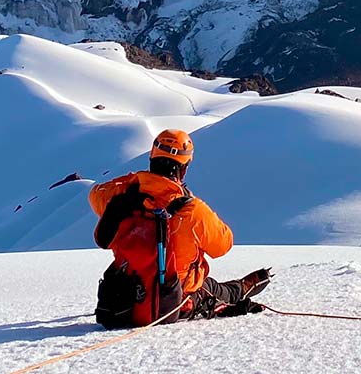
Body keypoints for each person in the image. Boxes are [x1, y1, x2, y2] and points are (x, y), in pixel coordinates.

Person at [88, 129, 272, 328]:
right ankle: (242, 289)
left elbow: (95, 193)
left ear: (152, 158)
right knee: (212, 288)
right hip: (177, 300)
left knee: (209, 287)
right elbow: (223, 244)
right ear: (183, 169)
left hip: (124, 298)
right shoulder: (191, 210)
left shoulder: (120, 197)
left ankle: (240, 290)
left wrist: (134, 182)